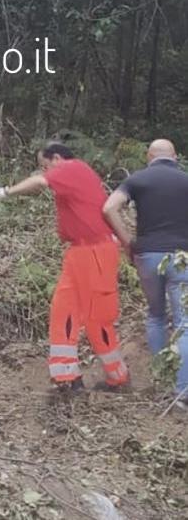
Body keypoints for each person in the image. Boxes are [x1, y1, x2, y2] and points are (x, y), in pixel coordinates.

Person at [0, 142, 129, 393]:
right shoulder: (73, 175)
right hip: (80, 251)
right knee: (63, 310)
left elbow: (41, 182)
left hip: (95, 251)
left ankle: (117, 377)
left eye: (44, 165)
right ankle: (67, 378)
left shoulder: (72, 167)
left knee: (97, 317)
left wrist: (7, 192)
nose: (44, 171)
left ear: (56, 158)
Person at [102, 138, 188, 409]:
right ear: (175, 157)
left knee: (155, 316)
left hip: (147, 255)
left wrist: (128, 241)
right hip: (182, 256)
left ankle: (162, 383)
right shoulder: (185, 180)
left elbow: (109, 207)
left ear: (149, 157)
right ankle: (181, 390)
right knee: (184, 324)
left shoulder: (138, 180)